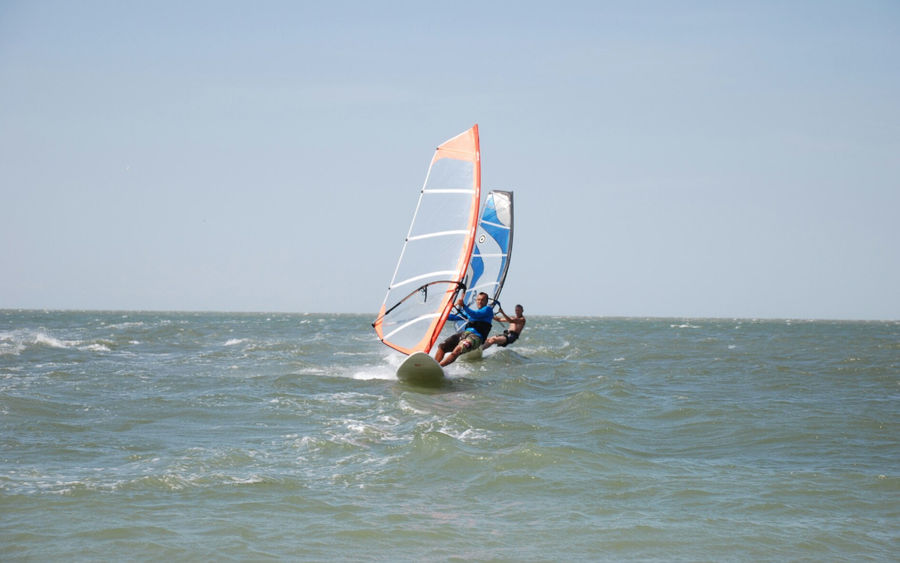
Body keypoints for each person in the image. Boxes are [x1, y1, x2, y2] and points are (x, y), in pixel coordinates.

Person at [435, 292, 493, 367]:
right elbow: (454, 317)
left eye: (482, 300)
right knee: (442, 346)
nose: (480, 302)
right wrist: (440, 315)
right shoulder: (469, 313)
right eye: (478, 300)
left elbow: (476, 314)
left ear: (486, 302)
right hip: (465, 334)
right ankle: (435, 364)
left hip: (476, 337)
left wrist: (464, 306)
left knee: (457, 350)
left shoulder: (488, 310)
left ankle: (439, 367)